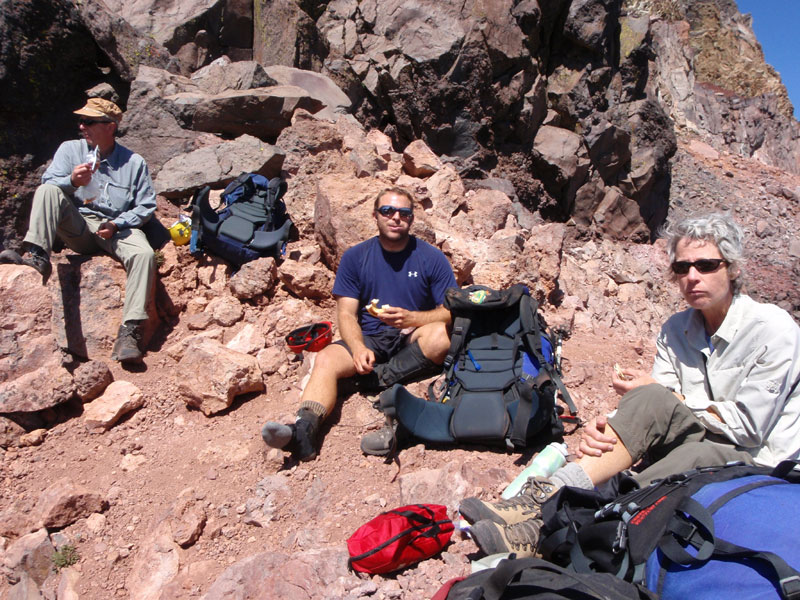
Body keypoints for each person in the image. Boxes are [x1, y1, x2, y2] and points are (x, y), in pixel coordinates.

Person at [459, 213, 800, 557]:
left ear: (734, 269)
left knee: (694, 453)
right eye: (682, 268)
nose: (692, 277)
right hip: (697, 436)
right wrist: (612, 423)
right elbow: (654, 407)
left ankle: (552, 522)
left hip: (757, 456)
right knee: (653, 406)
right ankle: (547, 496)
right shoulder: (676, 329)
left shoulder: (772, 329)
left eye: (707, 265)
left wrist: (669, 396)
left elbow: (748, 429)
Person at [261, 187, 457, 461]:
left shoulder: (430, 257)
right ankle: (303, 431)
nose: (396, 217)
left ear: (411, 219)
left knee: (443, 336)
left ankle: (375, 380)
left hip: (413, 336)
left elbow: (450, 310)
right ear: (375, 215)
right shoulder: (355, 257)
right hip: (371, 337)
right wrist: (356, 347)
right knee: (327, 358)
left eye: (404, 212)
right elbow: (346, 315)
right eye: (388, 211)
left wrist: (414, 318)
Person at [0, 98, 157, 363]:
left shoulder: (134, 163)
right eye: (81, 121)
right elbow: (49, 183)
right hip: (79, 225)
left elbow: (146, 205)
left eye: (89, 121)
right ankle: (37, 256)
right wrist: (72, 181)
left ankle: (130, 333)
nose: (82, 126)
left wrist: (118, 223)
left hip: (115, 228)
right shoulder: (70, 149)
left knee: (144, 255)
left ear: (110, 126)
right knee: (48, 190)